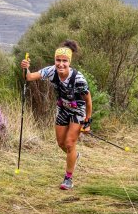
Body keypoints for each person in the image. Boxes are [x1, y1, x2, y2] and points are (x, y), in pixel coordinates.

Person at [20, 40, 93, 190]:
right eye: (58, 60)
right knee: (61, 144)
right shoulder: (51, 71)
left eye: (64, 61)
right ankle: (73, 155)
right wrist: (26, 69)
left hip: (78, 111)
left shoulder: (78, 79)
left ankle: (68, 179)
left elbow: (88, 100)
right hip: (62, 109)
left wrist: (87, 120)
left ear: (69, 62)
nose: (60, 64)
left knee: (69, 143)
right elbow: (29, 77)